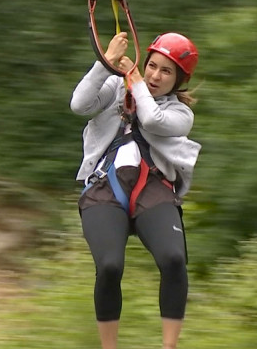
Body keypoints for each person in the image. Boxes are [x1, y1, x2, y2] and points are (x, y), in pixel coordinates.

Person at [70, 31, 202, 349]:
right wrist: (107, 62)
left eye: (166, 71)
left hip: (152, 189)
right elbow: (79, 105)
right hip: (105, 185)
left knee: (173, 259)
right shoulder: (116, 86)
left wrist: (137, 82)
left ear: (178, 81)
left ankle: (169, 346)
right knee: (110, 266)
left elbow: (152, 120)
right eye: (152, 66)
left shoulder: (181, 114)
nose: (156, 76)